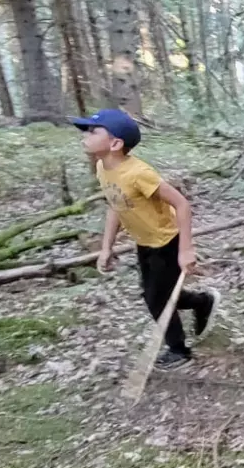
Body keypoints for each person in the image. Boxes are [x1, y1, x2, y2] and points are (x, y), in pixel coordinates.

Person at [72, 107, 218, 372]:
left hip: (166, 241)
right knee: (157, 294)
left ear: (115, 143)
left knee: (156, 299)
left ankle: (179, 350)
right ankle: (202, 301)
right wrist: (106, 248)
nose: (86, 135)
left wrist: (186, 250)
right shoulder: (104, 169)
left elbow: (182, 205)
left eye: (93, 131)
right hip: (144, 242)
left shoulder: (139, 173)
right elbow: (115, 206)